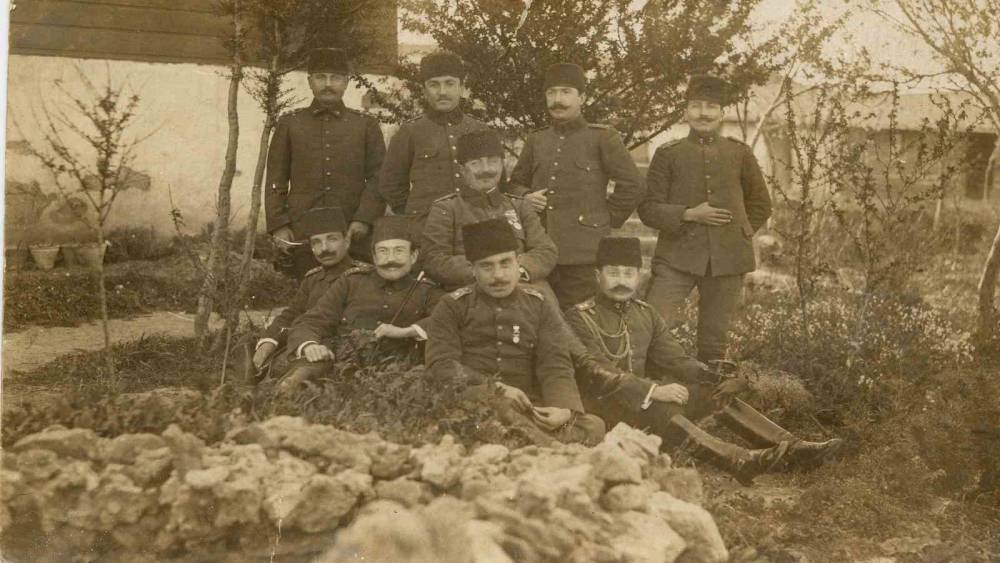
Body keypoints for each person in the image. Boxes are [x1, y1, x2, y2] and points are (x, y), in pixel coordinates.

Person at [564, 237, 843, 484]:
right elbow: (596, 372)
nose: (622, 281)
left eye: (629, 273)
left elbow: (676, 359)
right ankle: (738, 460)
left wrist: (718, 378)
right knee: (662, 406)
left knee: (712, 391)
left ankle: (792, 448)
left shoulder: (645, 313)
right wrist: (652, 391)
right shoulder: (579, 317)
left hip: (642, 404)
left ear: (638, 276)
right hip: (604, 409)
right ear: (597, 276)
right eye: (613, 273)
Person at [425, 217, 605, 445]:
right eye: (487, 266)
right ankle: (549, 447)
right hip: (476, 398)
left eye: (505, 263)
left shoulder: (538, 303)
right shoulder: (452, 305)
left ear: (518, 262)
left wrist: (562, 408)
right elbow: (441, 365)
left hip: (527, 404)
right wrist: (495, 388)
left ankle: (526, 440)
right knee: (500, 407)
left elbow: (555, 362)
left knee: (594, 425)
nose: (498, 275)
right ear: (472, 269)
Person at [638, 74, 772, 362]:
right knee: (651, 324)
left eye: (711, 107)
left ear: (722, 113)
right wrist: (688, 215)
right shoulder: (668, 154)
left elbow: (761, 204)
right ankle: (648, 382)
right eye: (696, 106)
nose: (703, 113)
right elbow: (648, 209)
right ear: (686, 112)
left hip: (728, 260)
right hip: (676, 256)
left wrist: (740, 234)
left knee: (714, 341)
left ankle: (706, 387)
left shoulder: (739, 153)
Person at [507, 62, 644, 308]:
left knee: (581, 317)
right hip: (539, 248)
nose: (557, 100)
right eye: (551, 93)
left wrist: (604, 218)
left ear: (582, 98)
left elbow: (633, 184)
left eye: (566, 92)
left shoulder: (602, 137)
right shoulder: (537, 139)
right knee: (538, 314)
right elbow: (514, 184)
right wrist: (526, 196)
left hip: (584, 253)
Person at [278, 215, 443, 389]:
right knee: (299, 379)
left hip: (398, 372)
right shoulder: (351, 282)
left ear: (414, 256)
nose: (390, 259)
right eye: (383, 252)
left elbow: (447, 319)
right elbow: (312, 320)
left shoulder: (426, 290)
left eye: (399, 251)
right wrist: (310, 346)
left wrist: (406, 331)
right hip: (340, 365)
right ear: (374, 257)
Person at [265, 47, 386, 278]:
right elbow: (275, 179)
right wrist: (279, 225)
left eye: (335, 78)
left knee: (355, 287)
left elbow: (378, 178)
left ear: (346, 82)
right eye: (321, 77)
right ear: (310, 82)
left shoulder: (365, 125)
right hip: (303, 229)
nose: (328, 84)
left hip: (351, 229)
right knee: (307, 287)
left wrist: (364, 218)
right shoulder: (290, 123)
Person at [421, 128, 557, 290]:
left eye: (493, 161)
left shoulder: (520, 206)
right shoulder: (446, 209)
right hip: (469, 292)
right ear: (462, 170)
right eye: (475, 163)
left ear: (502, 166)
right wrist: (484, 273)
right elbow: (434, 259)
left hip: (521, 288)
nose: (486, 169)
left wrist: (518, 271)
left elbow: (545, 250)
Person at [379, 51, 489, 234]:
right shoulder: (410, 131)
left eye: (450, 84)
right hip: (427, 229)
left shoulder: (479, 130)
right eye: (434, 85)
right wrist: (415, 213)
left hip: (475, 226)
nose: (442, 92)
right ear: (424, 90)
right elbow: (390, 183)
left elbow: (495, 181)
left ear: (461, 88)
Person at [246, 207, 362, 379]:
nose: (324, 248)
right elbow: (290, 315)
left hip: (337, 355)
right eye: (316, 242)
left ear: (347, 241)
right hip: (305, 345)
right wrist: (268, 342)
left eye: (332, 239)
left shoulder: (363, 276)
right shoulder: (312, 278)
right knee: (247, 352)